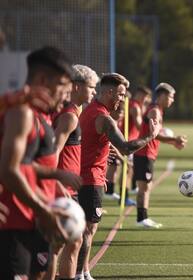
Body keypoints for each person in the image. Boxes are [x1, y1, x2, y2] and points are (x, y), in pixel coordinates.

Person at [76, 73, 160, 280]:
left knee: (87, 228)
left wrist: (106, 148)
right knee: (88, 229)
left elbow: (92, 140)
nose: (123, 99)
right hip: (89, 179)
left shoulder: (90, 111)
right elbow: (127, 147)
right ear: (109, 92)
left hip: (85, 176)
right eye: (121, 95)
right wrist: (151, 135)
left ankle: (84, 271)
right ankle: (79, 273)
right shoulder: (103, 117)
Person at [0, 46, 73, 279]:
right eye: (62, 85)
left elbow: (24, 166)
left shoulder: (39, 115)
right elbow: (9, 170)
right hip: (13, 224)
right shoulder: (21, 113)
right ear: (43, 79)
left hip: (33, 221)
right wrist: (45, 211)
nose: (66, 94)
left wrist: (55, 178)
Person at [53, 64, 99, 280]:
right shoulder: (69, 116)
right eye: (92, 87)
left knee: (72, 240)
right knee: (60, 243)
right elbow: (52, 153)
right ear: (78, 86)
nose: (94, 92)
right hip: (62, 189)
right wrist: (58, 185)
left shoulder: (76, 112)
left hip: (70, 187)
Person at [134, 83, 187, 228]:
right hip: (144, 153)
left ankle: (143, 217)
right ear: (162, 96)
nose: (172, 100)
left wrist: (173, 142)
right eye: (171, 97)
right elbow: (154, 135)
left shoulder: (157, 111)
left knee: (146, 186)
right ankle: (141, 219)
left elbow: (155, 135)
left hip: (147, 154)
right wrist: (174, 140)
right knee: (144, 187)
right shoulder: (155, 112)